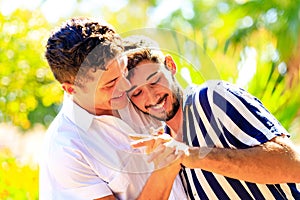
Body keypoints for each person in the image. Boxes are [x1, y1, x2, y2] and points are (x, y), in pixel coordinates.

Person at [123, 35, 300, 199]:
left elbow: (294, 165)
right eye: (138, 92)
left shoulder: (212, 98)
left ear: (170, 65)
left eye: (154, 80)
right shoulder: (163, 147)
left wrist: (191, 155)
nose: (151, 97)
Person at [39, 17, 187, 200]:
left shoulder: (137, 93)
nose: (126, 86)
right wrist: (167, 167)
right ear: (71, 89)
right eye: (110, 84)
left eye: (124, 70)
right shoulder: (66, 149)